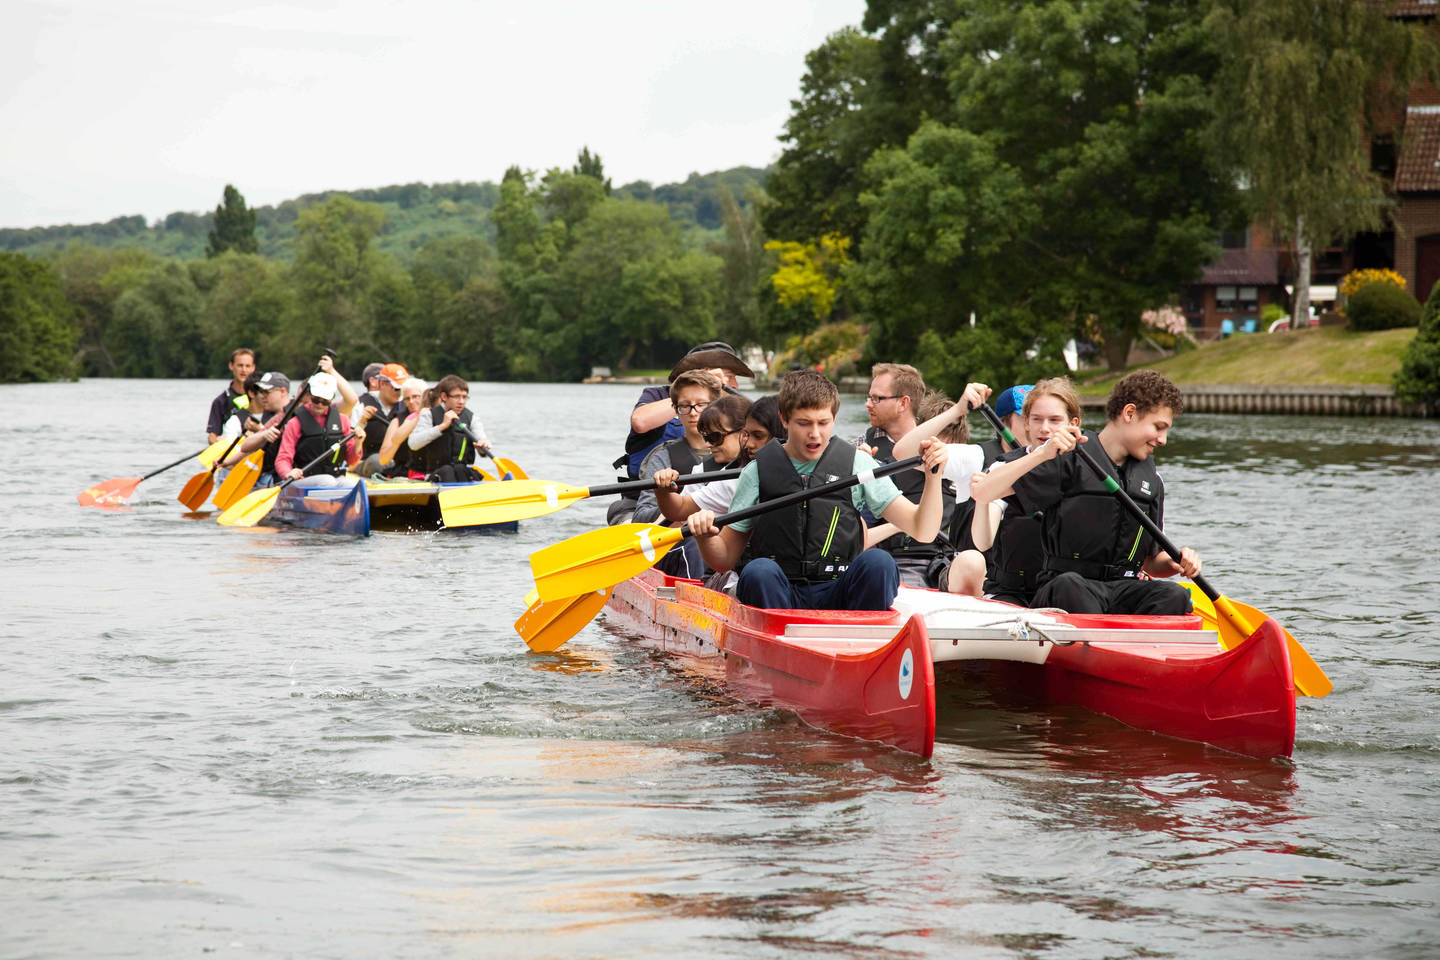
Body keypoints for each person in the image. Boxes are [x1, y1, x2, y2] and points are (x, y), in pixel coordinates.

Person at [684, 370, 949, 612]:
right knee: (758, 571)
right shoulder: (756, 472)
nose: (815, 434)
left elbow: (922, 530)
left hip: (839, 590)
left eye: (823, 423)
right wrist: (705, 537)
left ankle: (862, 637)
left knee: (879, 563)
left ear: (834, 418)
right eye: (804, 423)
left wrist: (933, 476)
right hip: (781, 594)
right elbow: (724, 560)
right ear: (784, 420)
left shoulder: (859, 464)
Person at [972, 370, 1200, 615]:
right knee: (1070, 587)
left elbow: (1151, 564)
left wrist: (1177, 562)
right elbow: (984, 493)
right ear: (1129, 413)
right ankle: (1098, 642)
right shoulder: (1069, 457)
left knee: (1174, 595)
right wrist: (1043, 454)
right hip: (1068, 587)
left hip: (1123, 588)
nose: (1163, 439)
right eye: (1158, 427)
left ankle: (1137, 645)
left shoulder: (1152, 480)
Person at [862, 362, 990, 590]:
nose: (868, 404)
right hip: (902, 561)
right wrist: (903, 525)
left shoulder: (967, 468)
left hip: (946, 563)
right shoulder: (876, 462)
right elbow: (857, 536)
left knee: (973, 562)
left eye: (877, 398)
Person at [968, 378, 1081, 606]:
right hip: (1012, 591)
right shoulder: (1004, 468)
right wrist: (982, 497)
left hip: (1068, 589)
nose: (1045, 428)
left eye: (1055, 420)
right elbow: (983, 542)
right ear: (1026, 422)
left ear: (1074, 423)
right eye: (1037, 420)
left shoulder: (1089, 466)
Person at [612, 340, 753, 489]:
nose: (735, 385)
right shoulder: (657, 395)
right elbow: (640, 422)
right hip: (643, 496)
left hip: (713, 496)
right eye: (729, 377)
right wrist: (692, 393)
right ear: (703, 373)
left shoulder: (732, 406)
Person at [632, 370, 725, 524]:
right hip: (683, 538)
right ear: (676, 410)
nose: (693, 413)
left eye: (701, 405)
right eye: (685, 406)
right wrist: (668, 498)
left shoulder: (735, 451)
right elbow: (640, 517)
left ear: (716, 406)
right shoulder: (662, 457)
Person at [274, 372, 365, 483]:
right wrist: (288, 472)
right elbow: (283, 458)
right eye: (316, 399)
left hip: (334, 476)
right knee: (327, 481)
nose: (320, 404)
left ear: (332, 398)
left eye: (325, 401)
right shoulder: (295, 422)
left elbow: (351, 461)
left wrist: (358, 443)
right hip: (304, 479)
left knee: (349, 483)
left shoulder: (343, 420)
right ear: (310, 395)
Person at [407, 375, 490, 481]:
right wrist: (441, 427)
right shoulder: (429, 415)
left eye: (464, 397)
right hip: (436, 474)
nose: (461, 401)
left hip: (462, 473)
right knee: (447, 470)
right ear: (444, 397)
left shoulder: (472, 418)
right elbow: (413, 443)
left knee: (460, 469)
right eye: (456, 397)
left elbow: (482, 439)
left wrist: (482, 448)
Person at [223, 370, 293, 488]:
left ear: (282, 391)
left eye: (266, 392)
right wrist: (226, 461)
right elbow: (250, 447)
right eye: (260, 391)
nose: (261, 396)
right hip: (267, 473)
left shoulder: (295, 414)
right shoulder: (271, 415)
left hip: (286, 475)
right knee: (228, 467)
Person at [353, 362, 411, 477]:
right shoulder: (360, 404)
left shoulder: (408, 405)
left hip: (398, 463)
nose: (400, 393)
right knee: (377, 462)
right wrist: (362, 421)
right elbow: (351, 444)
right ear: (382, 384)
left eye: (403, 389)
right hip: (368, 463)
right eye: (396, 388)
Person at [376, 378, 427, 479]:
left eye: (416, 397)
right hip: (404, 472)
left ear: (425, 397)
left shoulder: (435, 415)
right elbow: (383, 459)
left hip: (429, 471)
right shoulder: (397, 421)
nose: (411, 402)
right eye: (407, 399)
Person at [206, 347, 256, 443]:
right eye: (240, 365)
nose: (244, 370)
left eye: (247, 366)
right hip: (230, 447)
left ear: (253, 368)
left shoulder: (260, 397)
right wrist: (216, 442)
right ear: (231, 366)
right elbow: (212, 435)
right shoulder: (220, 401)